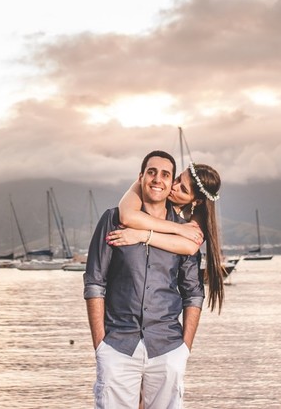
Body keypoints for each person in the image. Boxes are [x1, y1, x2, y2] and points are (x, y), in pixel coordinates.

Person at [84, 151, 204, 409]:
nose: (157, 179)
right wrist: (101, 345)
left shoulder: (185, 233)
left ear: (171, 183)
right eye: (151, 172)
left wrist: (184, 349)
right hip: (117, 345)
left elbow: (193, 292)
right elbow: (95, 283)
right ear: (141, 177)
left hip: (168, 347)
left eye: (165, 174)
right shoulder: (113, 219)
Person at [107, 162, 224, 313]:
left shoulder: (199, 214)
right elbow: (127, 216)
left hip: (163, 314)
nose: (174, 186)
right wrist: (178, 228)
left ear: (197, 201)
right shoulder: (148, 183)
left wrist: (142, 235)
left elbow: (190, 246)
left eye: (183, 189)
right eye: (179, 178)